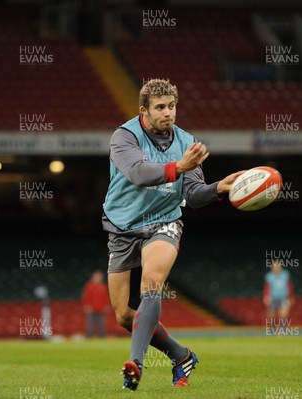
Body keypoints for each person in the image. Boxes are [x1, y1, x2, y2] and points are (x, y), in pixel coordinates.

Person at [102, 79, 243, 391]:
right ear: (144, 111)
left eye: (172, 106)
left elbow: (192, 195)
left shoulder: (186, 142)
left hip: (164, 221)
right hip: (122, 226)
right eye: (160, 107)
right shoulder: (124, 137)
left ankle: (135, 364)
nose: (168, 113)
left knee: (152, 284)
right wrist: (178, 166)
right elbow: (138, 174)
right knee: (124, 315)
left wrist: (219, 188)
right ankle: (181, 356)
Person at [81, 270, 111, 338]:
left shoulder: (103, 286)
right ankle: (89, 337)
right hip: (91, 309)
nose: (98, 279)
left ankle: (102, 337)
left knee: (101, 324)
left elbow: (106, 297)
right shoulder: (89, 286)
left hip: (101, 309)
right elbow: (86, 297)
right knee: (90, 325)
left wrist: (106, 306)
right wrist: (86, 306)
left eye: (99, 277)